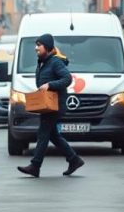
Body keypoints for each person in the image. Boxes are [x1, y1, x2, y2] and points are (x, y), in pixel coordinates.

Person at [17, 33, 85, 178]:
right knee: (52, 135)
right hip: (48, 105)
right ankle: (74, 160)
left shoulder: (55, 62)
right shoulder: (43, 62)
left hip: (55, 105)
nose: (36, 48)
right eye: (36, 45)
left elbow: (67, 79)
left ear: (47, 47)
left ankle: (35, 166)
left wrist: (49, 85)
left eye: (39, 45)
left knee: (43, 133)